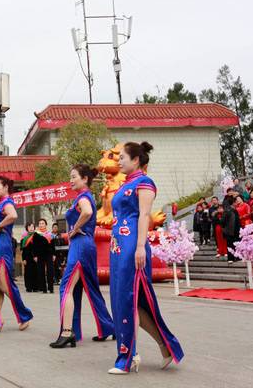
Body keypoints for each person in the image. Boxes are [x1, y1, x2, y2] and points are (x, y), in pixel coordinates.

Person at [108, 141, 183, 374]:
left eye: (122, 157)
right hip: (118, 248)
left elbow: (144, 215)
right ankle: (166, 346)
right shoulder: (124, 184)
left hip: (132, 246)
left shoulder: (144, 183)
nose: (118, 161)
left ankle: (127, 357)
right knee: (129, 302)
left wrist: (140, 246)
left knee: (126, 300)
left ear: (136, 160)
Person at [50, 164, 114, 349]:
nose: (70, 180)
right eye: (70, 177)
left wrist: (75, 228)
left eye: (74, 177)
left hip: (80, 245)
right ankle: (108, 328)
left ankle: (67, 332)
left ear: (84, 179)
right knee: (90, 289)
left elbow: (87, 212)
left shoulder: (83, 197)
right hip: (86, 245)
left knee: (66, 287)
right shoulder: (84, 196)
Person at [0, 177, 33, 333]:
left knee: (3, 284)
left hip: (1, 246)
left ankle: (24, 315)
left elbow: (13, 215)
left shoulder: (7, 202)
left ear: (5, 187)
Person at [33, 219, 55, 294]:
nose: (41, 225)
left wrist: (54, 254)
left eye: (42, 223)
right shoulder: (36, 234)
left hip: (49, 254)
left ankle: (51, 288)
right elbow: (34, 246)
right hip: (40, 255)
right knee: (41, 271)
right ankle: (44, 288)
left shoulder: (50, 234)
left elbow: (53, 245)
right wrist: (35, 256)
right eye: (40, 223)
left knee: (50, 271)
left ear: (45, 225)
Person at [221, 199, 241, 264]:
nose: (237, 203)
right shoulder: (228, 211)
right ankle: (232, 258)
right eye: (236, 202)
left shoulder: (234, 210)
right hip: (230, 231)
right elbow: (222, 221)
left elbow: (237, 221)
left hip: (234, 231)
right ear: (233, 203)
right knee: (231, 245)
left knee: (235, 244)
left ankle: (235, 257)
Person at [21, 222, 37, 292]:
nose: (31, 228)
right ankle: (29, 287)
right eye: (29, 227)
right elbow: (23, 251)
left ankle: (35, 287)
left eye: (32, 227)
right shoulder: (24, 239)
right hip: (27, 258)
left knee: (35, 272)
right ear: (27, 228)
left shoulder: (37, 237)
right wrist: (23, 259)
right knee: (28, 272)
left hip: (36, 258)